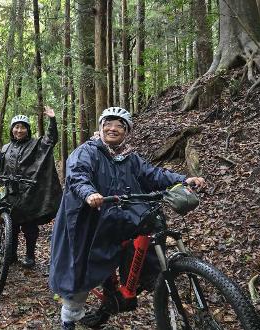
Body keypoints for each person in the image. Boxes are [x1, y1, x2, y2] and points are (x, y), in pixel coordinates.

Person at [48, 107, 206, 330]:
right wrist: (89, 193)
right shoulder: (87, 152)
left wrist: (183, 179)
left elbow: (153, 175)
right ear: (101, 127)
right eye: (109, 123)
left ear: (127, 132)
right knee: (78, 276)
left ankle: (131, 287)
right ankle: (68, 321)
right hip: (88, 221)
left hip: (118, 216)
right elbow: (77, 175)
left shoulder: (130, 157)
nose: (113, 128)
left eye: (120, 126)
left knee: (145, 234)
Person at [0, 106, 62, 268]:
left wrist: (52, 120)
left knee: (30, 227)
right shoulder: (5, 148)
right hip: (10, 193)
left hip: (29, 194)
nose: (19, 130)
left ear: (27, 130)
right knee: (11, 225)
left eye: (23, 127)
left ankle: (30, 256)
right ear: (12, 129)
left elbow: (50, 140)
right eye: (16, 127)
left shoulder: (35, 144)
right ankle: (11, 255)